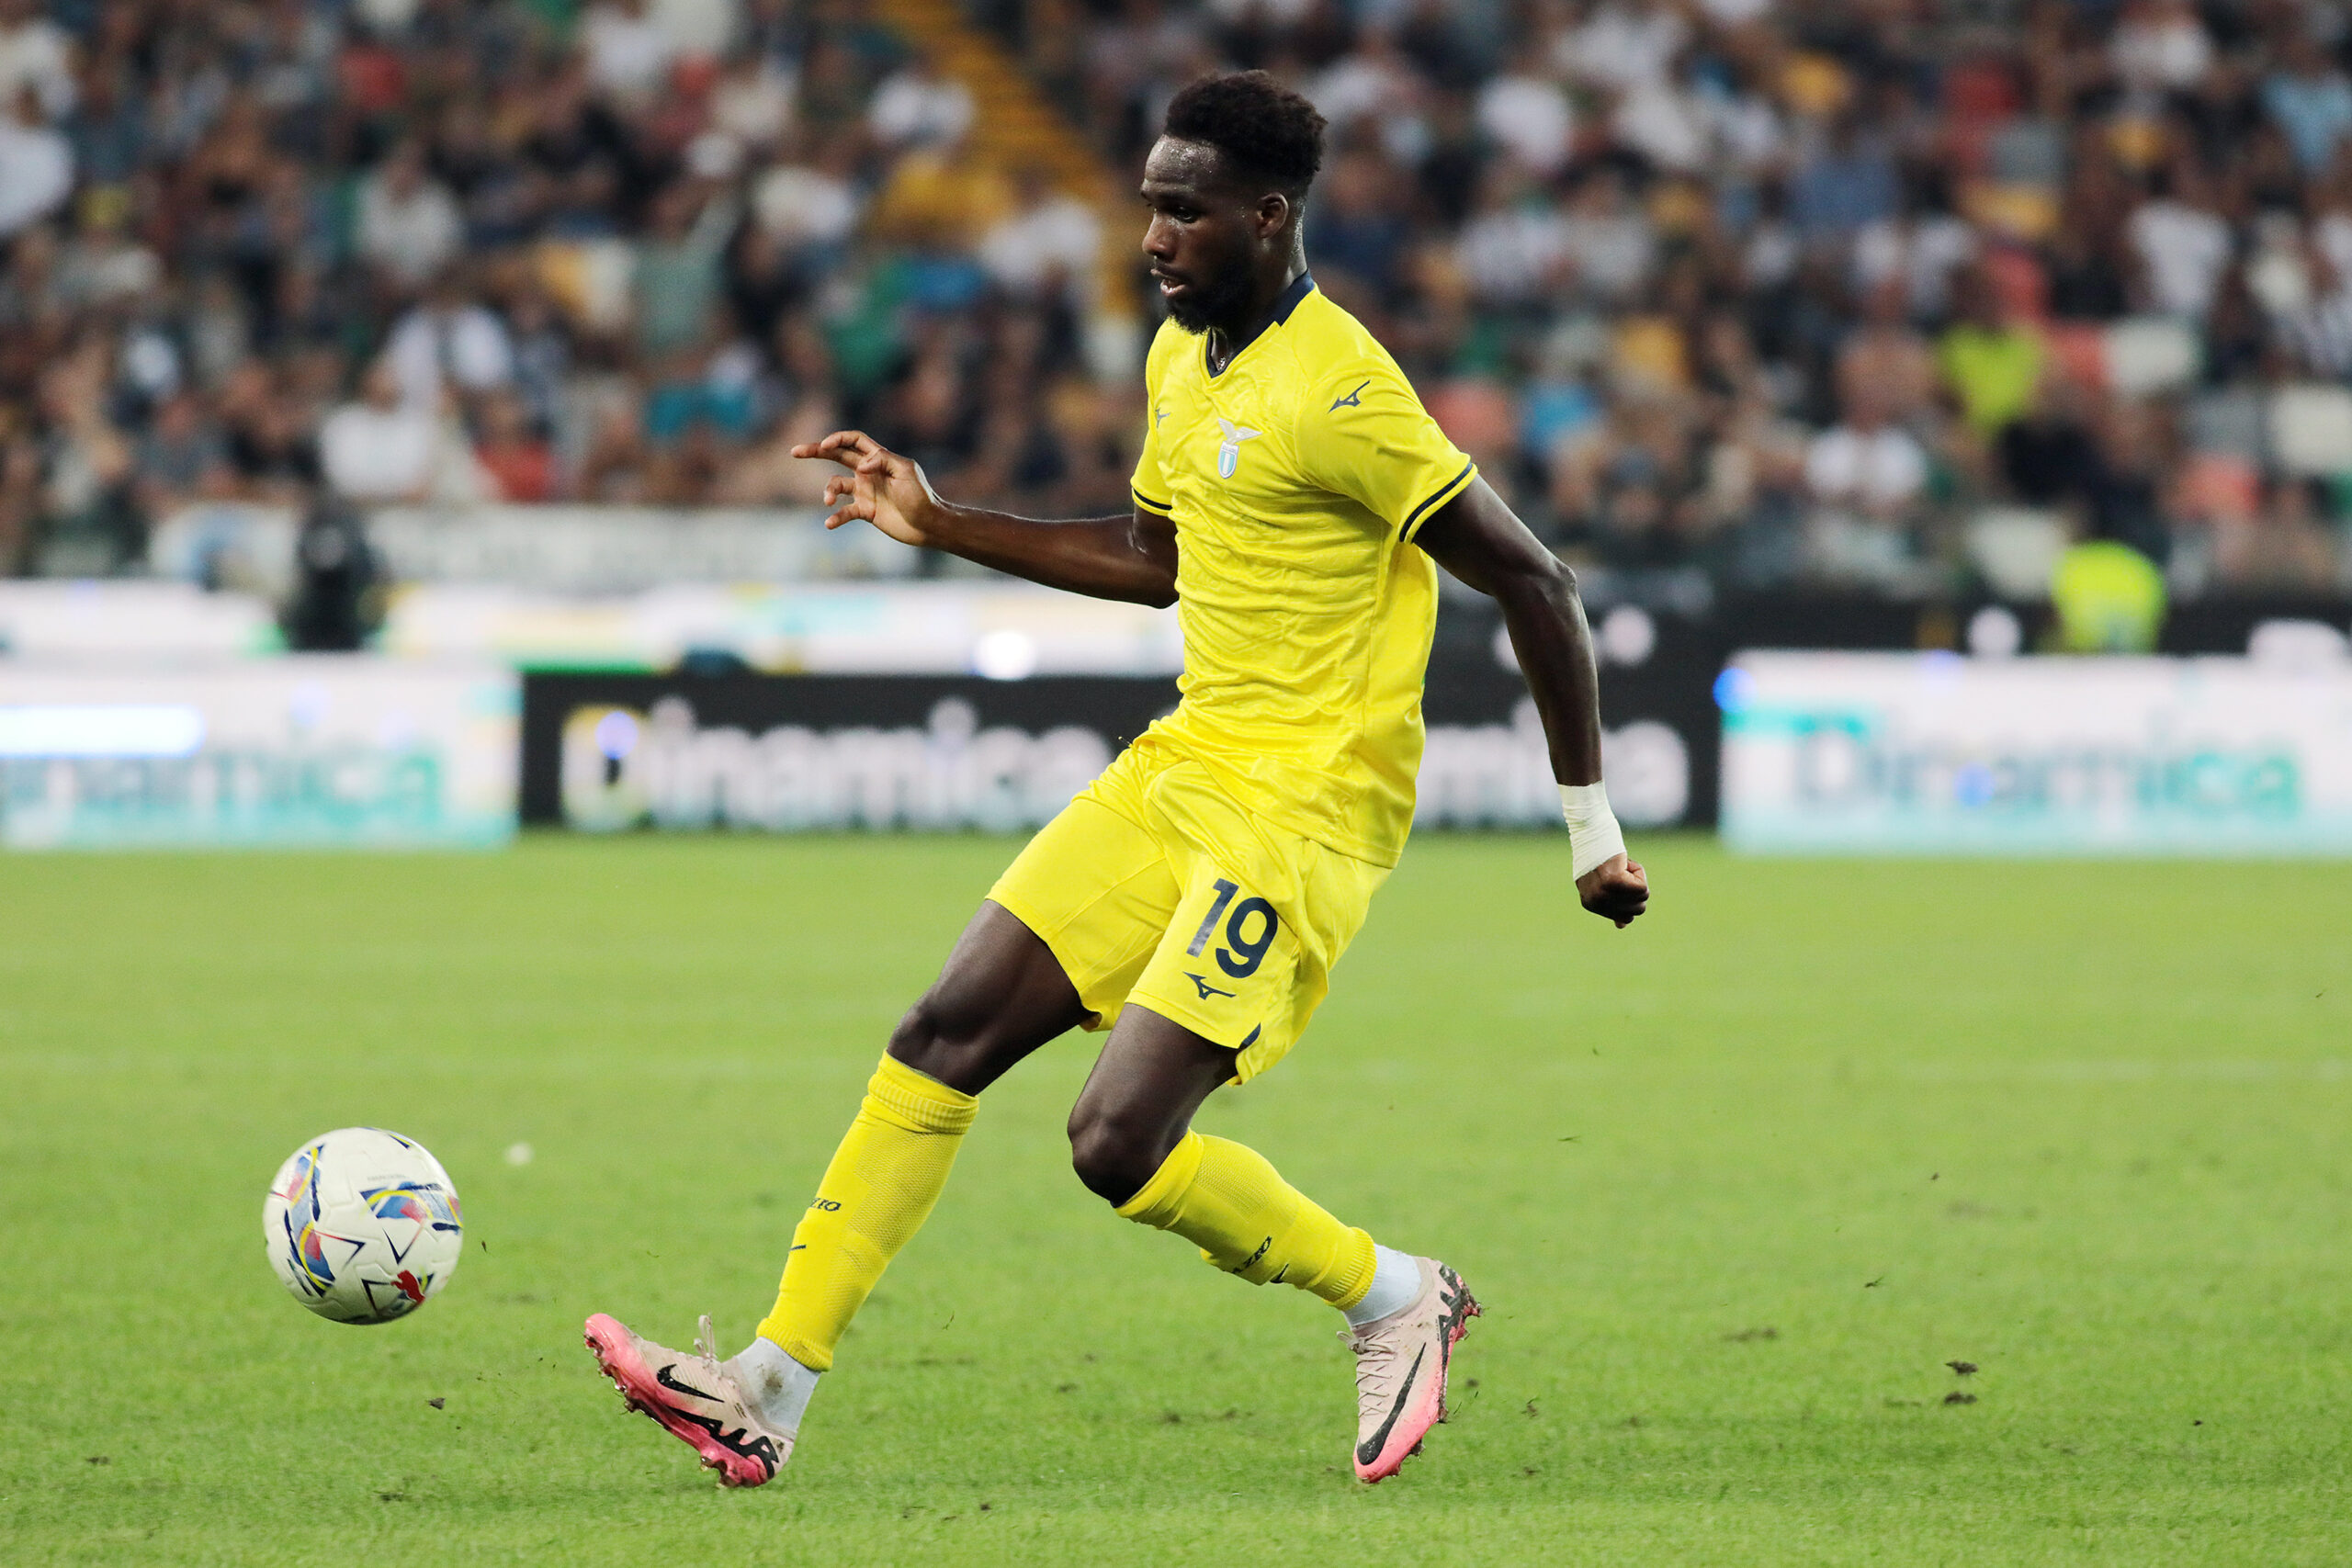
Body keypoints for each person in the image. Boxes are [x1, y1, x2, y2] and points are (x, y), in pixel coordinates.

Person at [583, 71, 1651, 1489]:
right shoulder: (1178, 357)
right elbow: (1157, 565)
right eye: (1149, 206)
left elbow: (1538, 581)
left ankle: (1393, 1294)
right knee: (943, 1033)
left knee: (1116, 1141)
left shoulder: (1344, 389)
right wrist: (941, 518)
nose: (1152, 238)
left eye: (1183, 213)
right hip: (1188, 762)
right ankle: (768, 1387)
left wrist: (1590, 827)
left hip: (1302, 808)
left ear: (1269, 219)